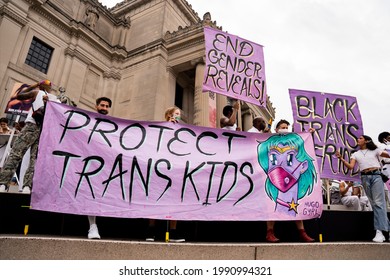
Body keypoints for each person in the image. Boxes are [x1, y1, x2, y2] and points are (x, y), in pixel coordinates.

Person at [0, 80, 57, 194]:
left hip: (38, 128)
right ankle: (14, 184)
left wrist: (36, 87)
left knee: (25, 157)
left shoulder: (45, 95)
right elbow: (20, 96)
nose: (47, 86)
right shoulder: (46, 95)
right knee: (25, 157)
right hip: (38, 128)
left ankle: (16, 185)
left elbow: (19, 95)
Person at [264, 119, 315, 242]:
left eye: (287, 127)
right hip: (275, 179)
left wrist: (309, 134)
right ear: (276, 129)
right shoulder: (271, 141)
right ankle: (269, 232)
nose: (285, 129)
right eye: (282, 127)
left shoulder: (293, 141)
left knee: (295, 205)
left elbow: (303, 143)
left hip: (293, 179)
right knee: (273, 206)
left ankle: (302, 233)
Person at [336, 135, 390, 242]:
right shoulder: (355, 154)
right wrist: (341, 158)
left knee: (379, 203)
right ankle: (386, 230)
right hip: (364, 178)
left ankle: (379, 232)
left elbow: (388, 155)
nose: (358, 140)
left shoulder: (375, 150)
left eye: (360, 138)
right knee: (375, 204)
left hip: (376, 176)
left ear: (366, 140)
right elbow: (351, 167)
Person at [145, 106, 185, 242]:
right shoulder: (160, 129)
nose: (178, 116)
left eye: (179, 114)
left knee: (175, 201)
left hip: (176, 170)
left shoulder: (183, 131)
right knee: (155, 199)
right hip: (160, 169)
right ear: (168, 115)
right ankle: (151, 231)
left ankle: (173, 233)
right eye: (176, 114)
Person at [86, 96, 112, 239]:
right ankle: (92, 226)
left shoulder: (112, 124)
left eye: (107, 106)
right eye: (102, 105)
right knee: (92, 194)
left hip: (107, 164)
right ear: (96, 106)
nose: (104, 108)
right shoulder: (87, 120)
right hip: (90, 163)